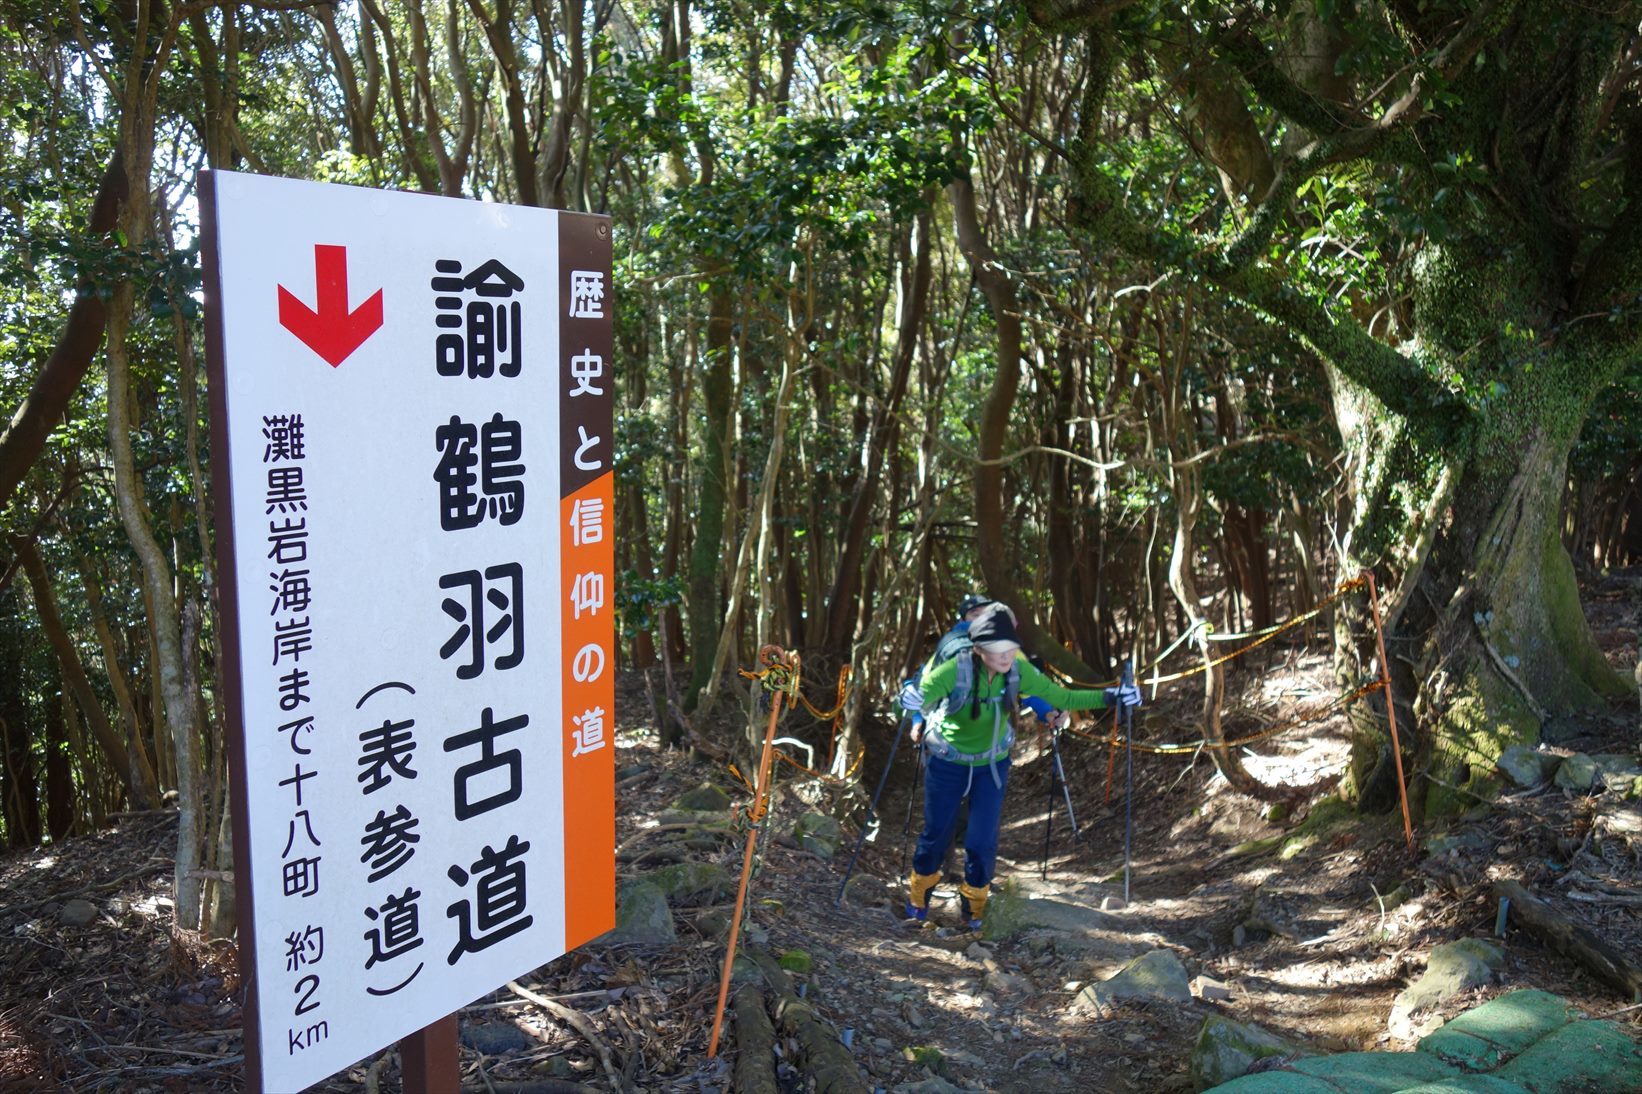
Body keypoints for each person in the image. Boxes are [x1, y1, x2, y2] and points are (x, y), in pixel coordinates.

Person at [904, 602, 1141, 929]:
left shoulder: (1017, 669)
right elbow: (915, 695)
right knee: (936, 834)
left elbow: (1065, 698)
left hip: (992, 765)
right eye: (998, 648)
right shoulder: (955, 670)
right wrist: (909, 702)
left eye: (1011, 647)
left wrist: (1113, 697)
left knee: (982, 841)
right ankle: (918, 900)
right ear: (979, 648)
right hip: (948, 761)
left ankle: (973, 911)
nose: (1006, 655)